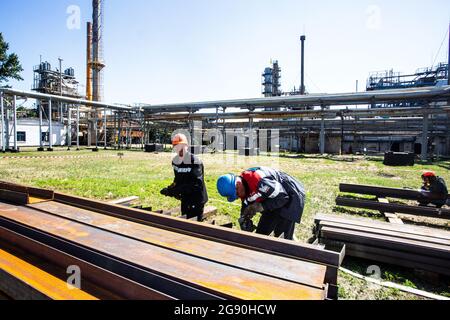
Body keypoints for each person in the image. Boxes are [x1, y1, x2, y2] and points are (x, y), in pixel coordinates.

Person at [217, 167, 306, 240]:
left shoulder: (258, 181)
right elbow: (246, 202)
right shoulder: (242, 186)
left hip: (290, 195)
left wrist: (261, 206)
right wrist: (244, 218)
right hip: (273, 197)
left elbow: (283, 197)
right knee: (261, 234)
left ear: (238, 185)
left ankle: (291, 243)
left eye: (236, 195)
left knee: (282, 239)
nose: (237, 197)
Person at [160, 133, 208, 221]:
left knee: (194, 226)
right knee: (184, 221)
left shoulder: (195, 162)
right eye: (176, 146)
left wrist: (175, 190)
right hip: (185, 198)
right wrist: (170, 189)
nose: (179, 149)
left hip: (196, 200)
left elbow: (196, 185)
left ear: (186, 145)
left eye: (181, 146)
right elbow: (177, 180)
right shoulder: (175, 161)